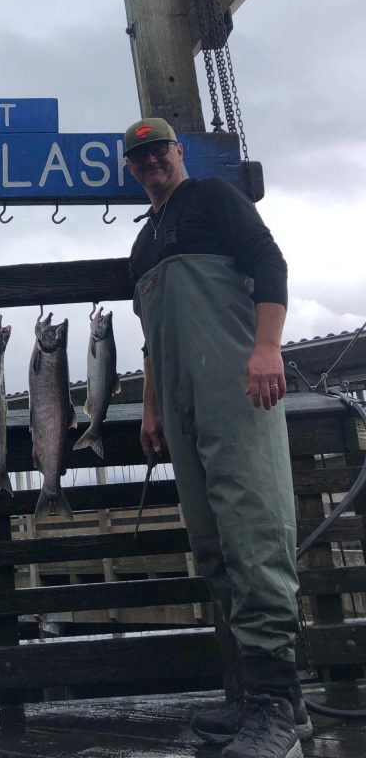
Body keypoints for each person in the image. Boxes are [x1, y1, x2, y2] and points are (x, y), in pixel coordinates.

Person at [124, 118, 309, 758]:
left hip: (236, 383)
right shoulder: (142, 244)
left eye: (160, 150)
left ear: (179, 152)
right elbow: (151, 336)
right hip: (180, 405)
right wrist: (150, 408)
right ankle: (253, 696)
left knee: (254, 528)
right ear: (131, 167)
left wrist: (267, 348)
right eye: (140, 155)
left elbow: (269, 261)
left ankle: (278, 705)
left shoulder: (214, 199)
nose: (151, 160)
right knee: (213, 543)